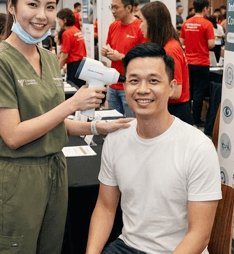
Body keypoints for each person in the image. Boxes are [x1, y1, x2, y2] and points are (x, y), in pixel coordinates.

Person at [0, 0, 132, 253]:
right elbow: (13, 135)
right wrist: (73, 103)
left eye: (49, 7)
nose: (42, 15)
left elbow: (54, 122)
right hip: (18, 176)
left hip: (56, 171)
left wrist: (96, 127)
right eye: (32, 4)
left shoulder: (48, 58)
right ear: (11, 6)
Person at [86, 43, 221, 254]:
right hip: (127, 246)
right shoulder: (116, 138)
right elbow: (105, 207)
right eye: (133, 81)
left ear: (171, 87)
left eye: (153, 81)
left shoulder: (197, 147)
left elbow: (200, 234)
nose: (142, 89)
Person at [140, 1, 193, 125]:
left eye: (142, 21)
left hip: (176, 112)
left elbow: (175, 91)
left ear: (153, 23)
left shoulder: (170, 49)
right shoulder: (164, 46)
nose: (139, 26)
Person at [101, 0, 146, 117]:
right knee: (113, 123)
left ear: (129, 8)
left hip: (131, 86)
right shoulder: (113, 26)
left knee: (131, 126)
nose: (113, 11)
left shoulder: (140, 27)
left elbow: (144, 58)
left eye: (116, 7)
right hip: (113, 84)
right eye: (112, 7)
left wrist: (121, 57)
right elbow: (110, 47)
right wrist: (106, 52)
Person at [180, 0, 215, 127]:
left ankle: (186, 119)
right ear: (205, 9)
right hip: (202, 63)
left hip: (188, 62)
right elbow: (211, 44)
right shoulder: (207, 24)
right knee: (199, 93)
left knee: (188, 91)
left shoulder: (186, 23)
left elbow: (181, 42)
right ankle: (195, 120)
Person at [57, 8, 87, 88]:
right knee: (80, 89)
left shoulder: (67, 33)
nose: (58, 23)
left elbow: (64, 55)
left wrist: (57, 70)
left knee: (73, 91)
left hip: (74, 67)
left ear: (65, 20)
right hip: (82, 65)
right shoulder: (76, 30)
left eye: (59, 20)